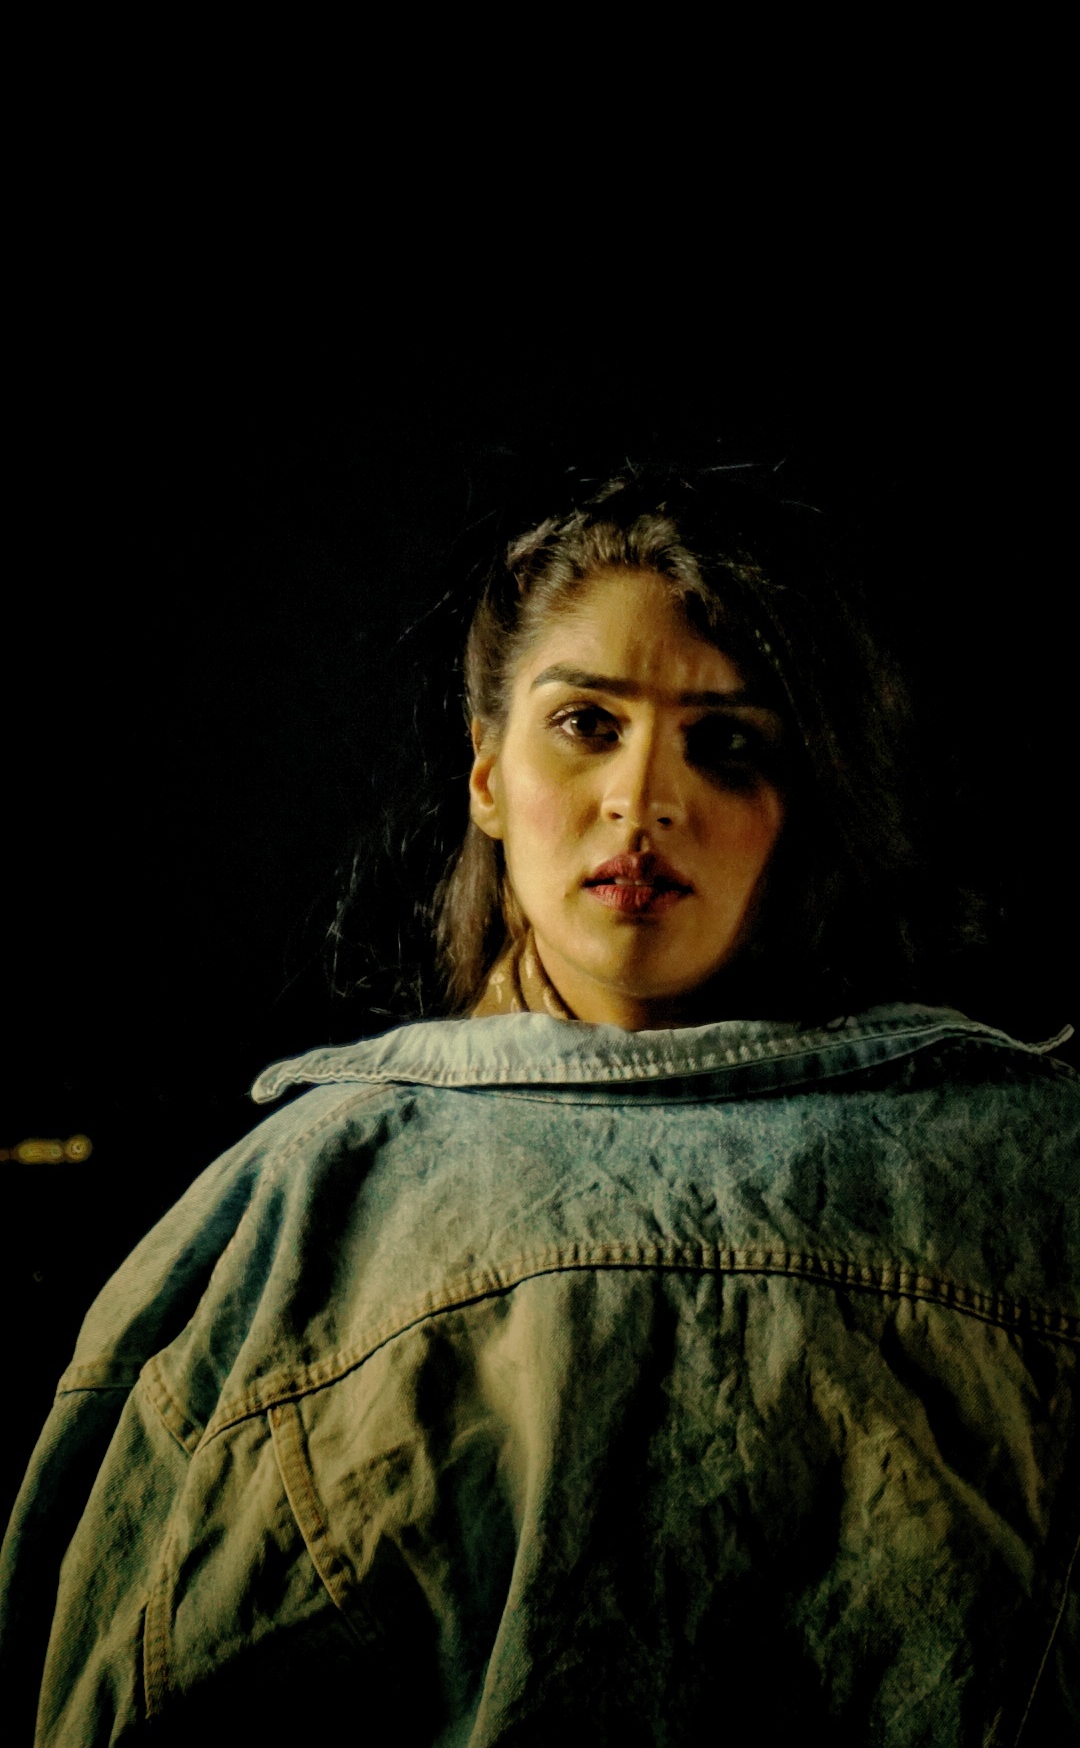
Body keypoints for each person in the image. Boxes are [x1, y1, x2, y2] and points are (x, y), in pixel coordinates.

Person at [2, 469, 1077, 1746]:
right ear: (487, 775)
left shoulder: (1033, 1179)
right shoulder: (300, 1206)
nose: (642, 796)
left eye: (727, 744)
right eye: (586, 723)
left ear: (803, 812)